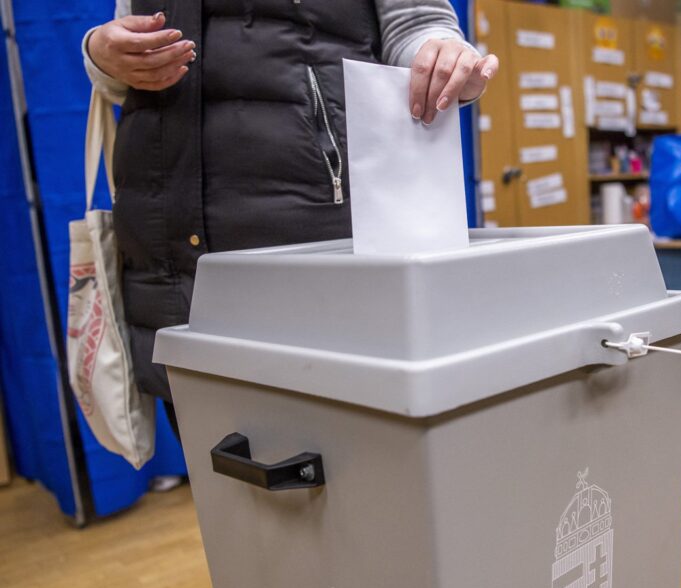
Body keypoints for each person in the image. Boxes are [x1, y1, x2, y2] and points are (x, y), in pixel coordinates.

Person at [83, 1, 498, 407]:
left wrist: (441, 58)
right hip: (170, 239)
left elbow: (416, 22)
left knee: (345, 427)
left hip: (314, 231)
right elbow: (130, 39)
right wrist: (101, 55)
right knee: (204, 424)